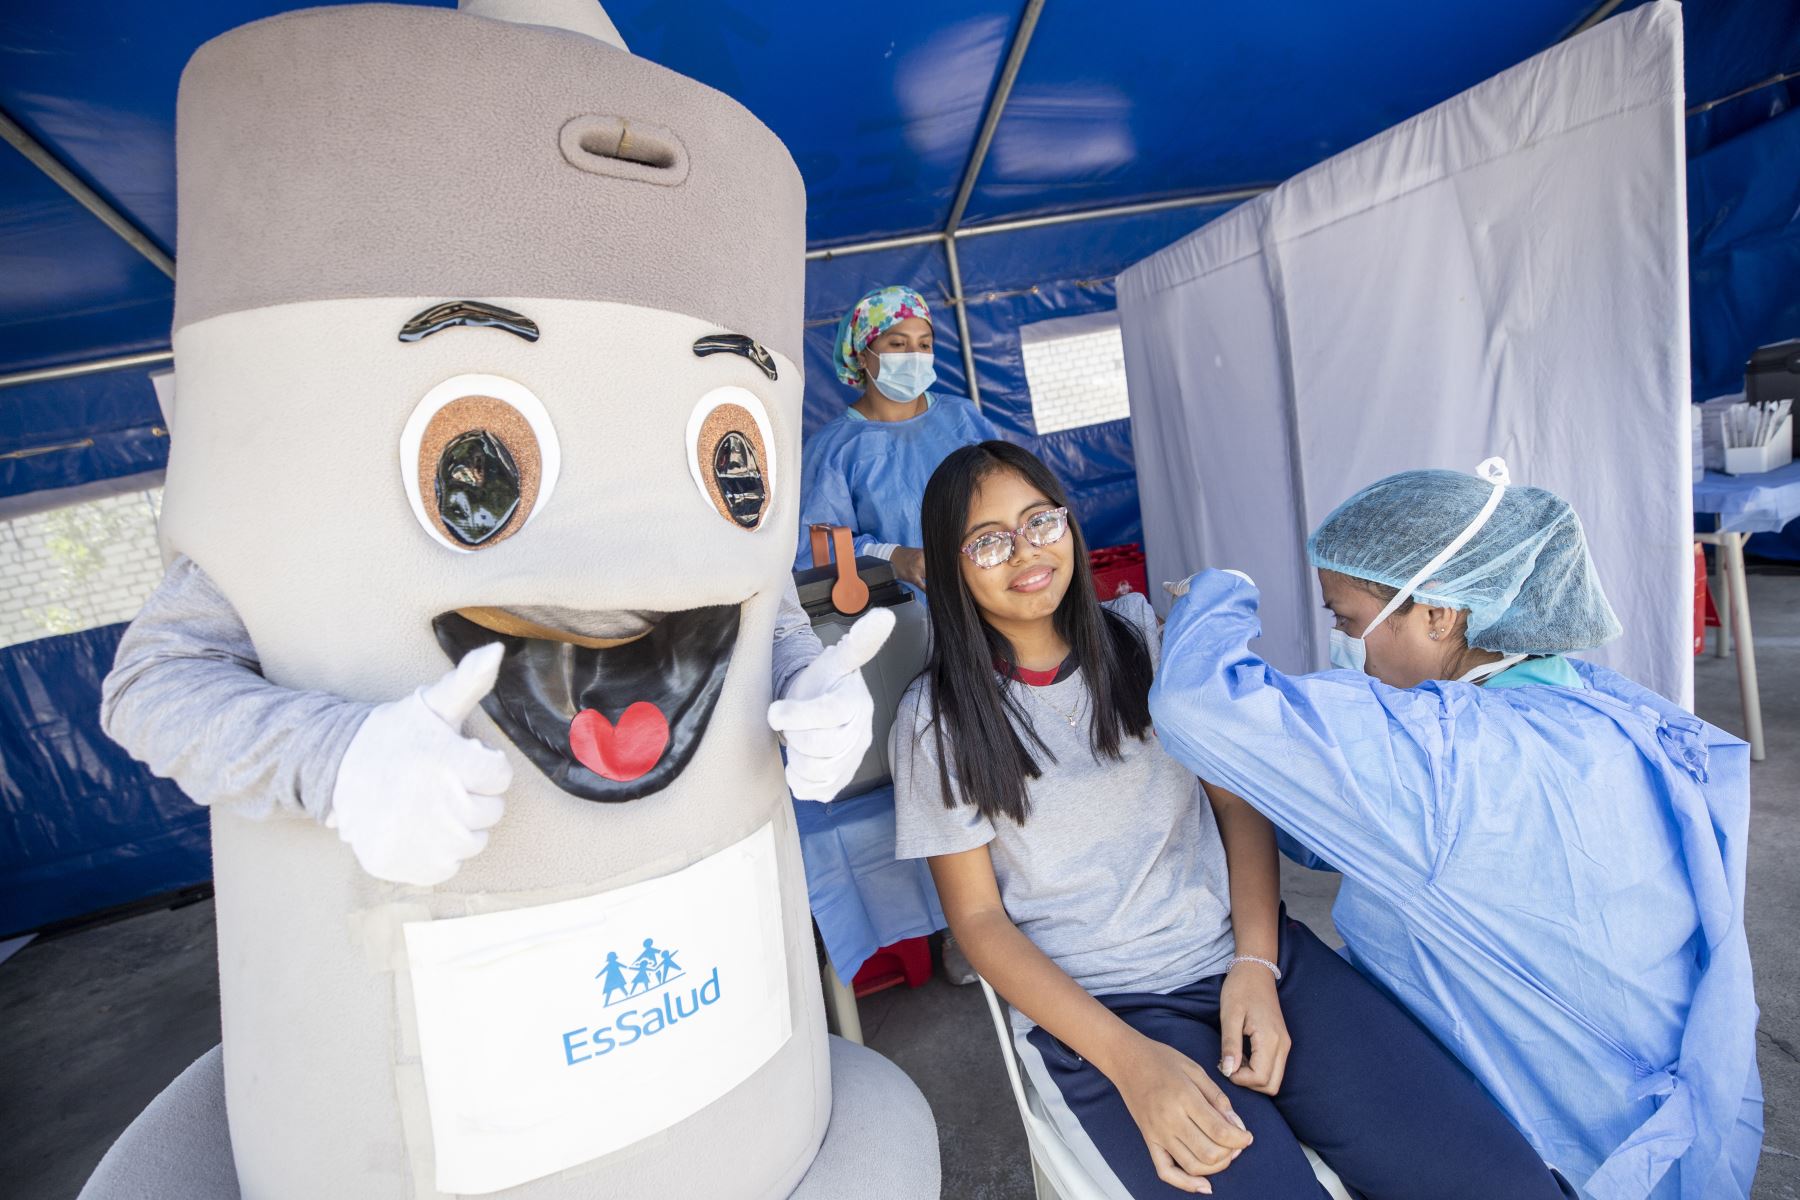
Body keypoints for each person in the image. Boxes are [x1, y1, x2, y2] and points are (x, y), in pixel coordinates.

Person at [892, 441, 1567, 1198]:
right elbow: (980, 923)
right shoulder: (937, 721)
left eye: (1041, 522)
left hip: (1255, 959)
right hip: (1103, 1016)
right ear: (950, 568)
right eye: (988, 540)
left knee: (1501, 1181)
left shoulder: (1144, 638)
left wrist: (1256, 965)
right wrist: (1132, 1063)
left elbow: (1234, 803)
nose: (1025, 552)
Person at [1149, 459, 1763, 1199]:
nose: (1349, 647)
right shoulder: (1593, 705)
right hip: (1682, 1129)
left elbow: (1195, 702)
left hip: (1566, 1148)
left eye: (1348, 620)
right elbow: (1339, 825)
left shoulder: (1445, 752)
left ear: (1440, 613)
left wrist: (1212, 595)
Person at [101, 555, 885, 883]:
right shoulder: (323, 425)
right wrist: (337, 757)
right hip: (465, 947)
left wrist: (803, 677)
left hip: (706, 908)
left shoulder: (702, 392)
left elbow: (769, 602)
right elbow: (153, 680)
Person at [794, 284, 1003, 592]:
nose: (914, 357)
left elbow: (1010, 492)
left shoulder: (962, 417)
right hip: (904, 620)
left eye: (924, 344)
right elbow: (813, 550)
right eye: (897, 343)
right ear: (863, 356)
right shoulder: (835, 449)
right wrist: (893, 556)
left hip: (989, 591)